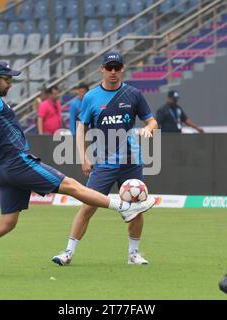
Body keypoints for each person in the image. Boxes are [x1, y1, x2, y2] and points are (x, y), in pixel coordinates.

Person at [0, 61, 155, 277]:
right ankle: (124, 207)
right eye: (7, 79)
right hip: (18, 163)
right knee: (71, 185)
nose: (11, 84)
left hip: (4, 168)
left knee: (8, 222)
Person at [52, 51, 158, 266]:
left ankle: (134, 254)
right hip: (104, 163)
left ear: (122, 69)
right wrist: (83, 158)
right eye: (108, 67)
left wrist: (149, 128)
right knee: (87, 206)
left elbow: (152, 121)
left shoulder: (134, 94)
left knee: (136, 206)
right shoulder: (91, 97)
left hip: (131, 161)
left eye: (116, 67)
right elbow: (82, 128)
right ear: (101, 69)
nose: (112, 71)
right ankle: (68, 252)